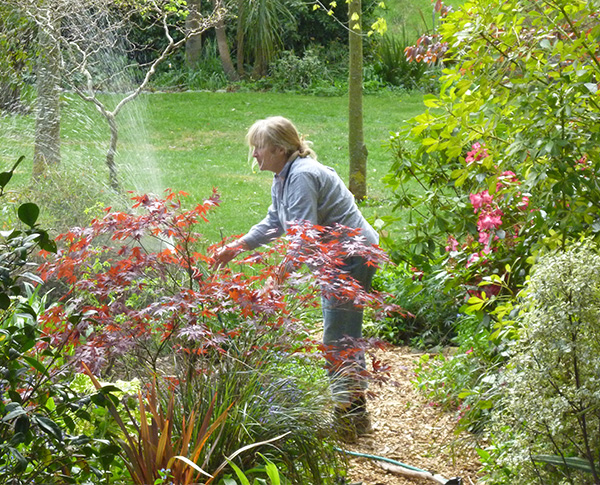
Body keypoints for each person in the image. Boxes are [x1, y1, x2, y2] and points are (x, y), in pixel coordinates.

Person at [212, 116, 379, 440]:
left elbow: (303, 239)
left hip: (351, 257)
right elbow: (276, 221)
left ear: (279, 148)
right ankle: (354, 413)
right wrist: (237, 246)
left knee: (337, 339)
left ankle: (351, 419)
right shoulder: (284, 176)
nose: (254, 155)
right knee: (341, 334)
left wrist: (276, 278)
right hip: (337, 258)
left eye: (258, 148)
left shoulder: (302, 176)